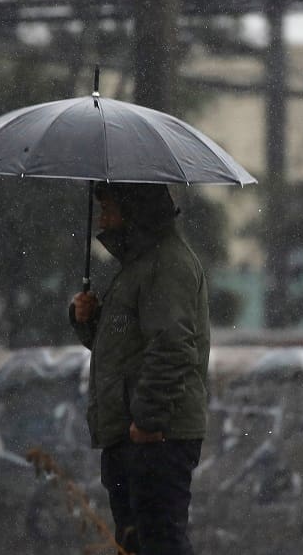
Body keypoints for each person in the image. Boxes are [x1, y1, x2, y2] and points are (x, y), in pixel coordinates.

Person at [69, 182, 210, 555]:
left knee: (158, 541)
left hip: (155, 437)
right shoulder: (141, 265)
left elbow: (173, 347)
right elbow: (124, 348)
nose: (102, 219)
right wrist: (88, 321)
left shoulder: (166, 265)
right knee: (136, 541)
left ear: (133, 209)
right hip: (133, 435)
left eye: (109, 208)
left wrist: (147, 422)